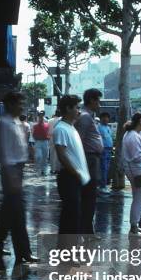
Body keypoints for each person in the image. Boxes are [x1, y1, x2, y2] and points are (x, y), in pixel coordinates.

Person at [0, 92, 38, 264]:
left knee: (9, 214)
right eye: (19, 103)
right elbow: (5, 153)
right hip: (11, 172)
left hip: (18, 170)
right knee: (17, 214)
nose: (22, 106)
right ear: (10, 104)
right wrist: (12, 176)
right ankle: (24, 252)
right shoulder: (4, 124)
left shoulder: (17, 123)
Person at [53, 95, 92, 234]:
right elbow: (62, 155)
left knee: (73, 216)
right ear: (68, 108)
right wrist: (76, 173)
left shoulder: (71, 127)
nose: (79, 111)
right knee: (70, 217)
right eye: (77, 107)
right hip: (68, 177)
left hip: (75, 178)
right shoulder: (61, 128)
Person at [74, 88, 104, 234]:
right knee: (89, 196)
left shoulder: (88, 116)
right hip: (89, 159)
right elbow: (78, 140)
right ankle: (86, 231)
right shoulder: (85, 117)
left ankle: (87, 229)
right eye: (98, 101)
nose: (100, 104)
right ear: (92, 100)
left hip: (92, 158)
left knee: (90, 196)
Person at [97, 112, 113, 194]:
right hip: (103, 149)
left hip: (109, 149)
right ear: (101, 118)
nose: (106, 119)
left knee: (106, 168)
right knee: (104, 168)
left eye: (107, 117)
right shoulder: (98, 127)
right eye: (104, 117)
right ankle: (102, 185)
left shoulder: (108, 127)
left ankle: (104, 185)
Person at [32, 111, 51, 176]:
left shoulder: (47, 125)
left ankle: (44, 170)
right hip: (38, 142)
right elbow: (33, 134)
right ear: (38, 117)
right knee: (38, 156)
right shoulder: (35, 126)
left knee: (45, 157)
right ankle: (38, 169)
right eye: (40, 115)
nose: (41, 117)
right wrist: (37, 138)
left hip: (45, 142)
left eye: (42, 115)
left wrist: (47, 138)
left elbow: (49, 134)